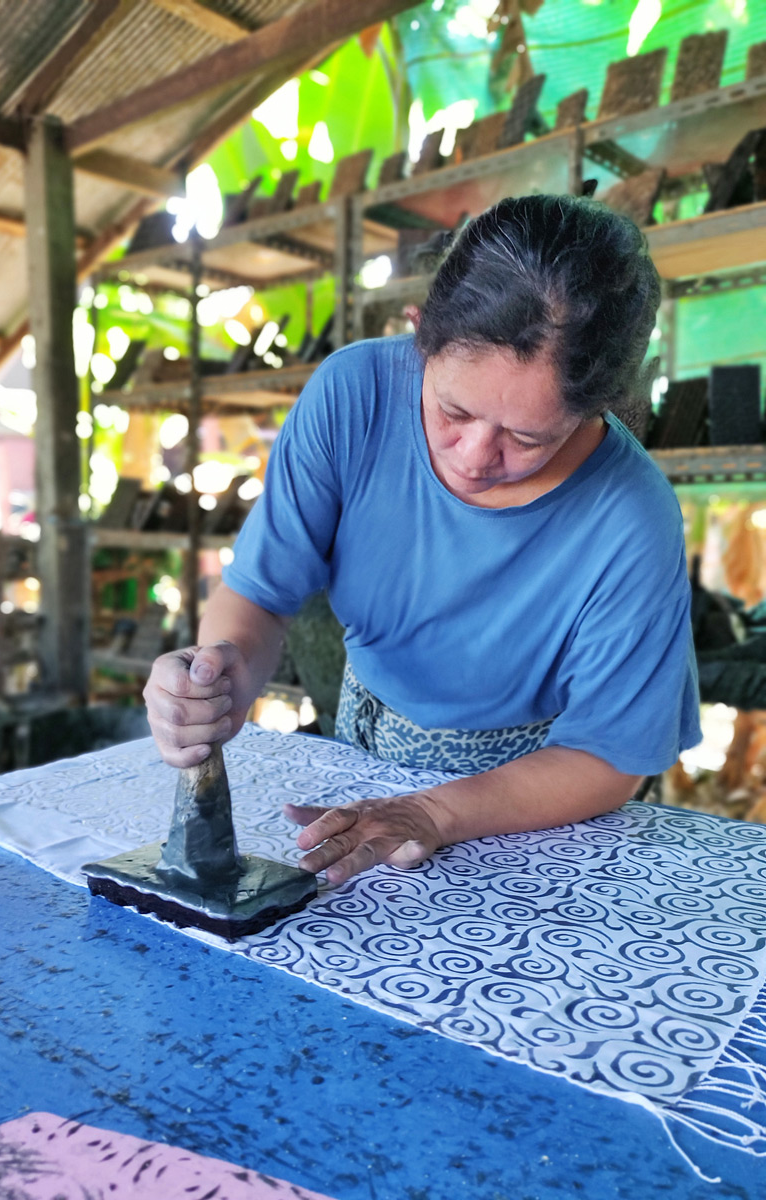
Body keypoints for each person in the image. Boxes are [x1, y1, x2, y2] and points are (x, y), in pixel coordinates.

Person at [144, 193, 701, 887]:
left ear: (594, 411)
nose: (473, 456)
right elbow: (258, 593)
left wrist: (435, 812)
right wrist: (218, 679)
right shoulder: (354, 395)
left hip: (531, 804)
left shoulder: (631, 515)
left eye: (526, 438)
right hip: (363, 753)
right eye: (453, 410)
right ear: (419, 335)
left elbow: (609, 757)